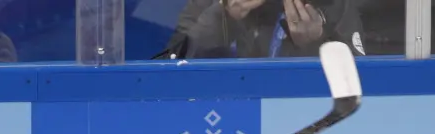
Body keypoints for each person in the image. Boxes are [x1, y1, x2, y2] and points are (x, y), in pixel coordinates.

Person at [156, 0, 365, 59]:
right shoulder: (210, 4)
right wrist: (224, 16)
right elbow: (169, 71)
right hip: (222, 119)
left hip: (296, 129)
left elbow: (360, 90)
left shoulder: (334, 5)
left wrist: (314, 44)